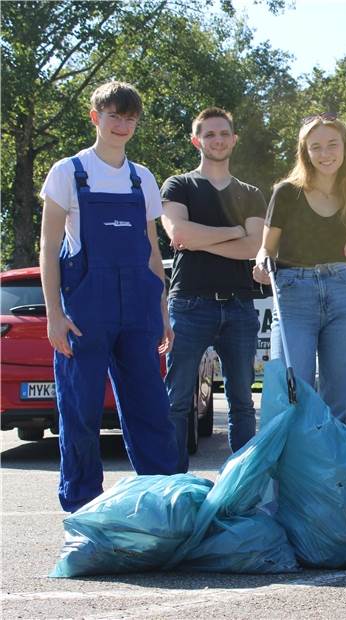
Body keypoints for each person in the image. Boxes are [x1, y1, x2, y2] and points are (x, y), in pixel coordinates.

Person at [38, 81, 177, 511]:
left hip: (138, 309)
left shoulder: (142, 178)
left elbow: (153, 251)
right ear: (95, 117)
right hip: (85, 309)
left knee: (150, 407)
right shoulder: (69, 172)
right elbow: (47, 248)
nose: (123, 125)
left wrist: (162, 312)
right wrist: (53, 315)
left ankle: (163, 500)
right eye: (114, 115)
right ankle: (81, 504)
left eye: (130, 117)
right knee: (79, 410)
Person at [160, 107, 265, 471]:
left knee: (241, 404)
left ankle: (240, 488)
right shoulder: (178, 185)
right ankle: (173, 486)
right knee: (176, 400)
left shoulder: (250, 194)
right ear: (196, 141)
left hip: (239, 306)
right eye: (209, 135)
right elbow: (179, 234)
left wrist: (201, 239)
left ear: (234, 140)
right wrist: (235, 232)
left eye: (223, 134)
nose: (217, 140)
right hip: (190, 304)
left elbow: (255, 248)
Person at [253, 114, 346, 424]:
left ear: (345, 149)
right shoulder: (286, 193)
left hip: (343, 295)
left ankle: (327, 471)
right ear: (304, 151)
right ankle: (289, 470)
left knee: (338, 401)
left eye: (332, 145)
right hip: (294, 294)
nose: (325, 154)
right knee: (293, 391)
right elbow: (267, 248)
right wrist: (260, 262)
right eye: (316, 147)